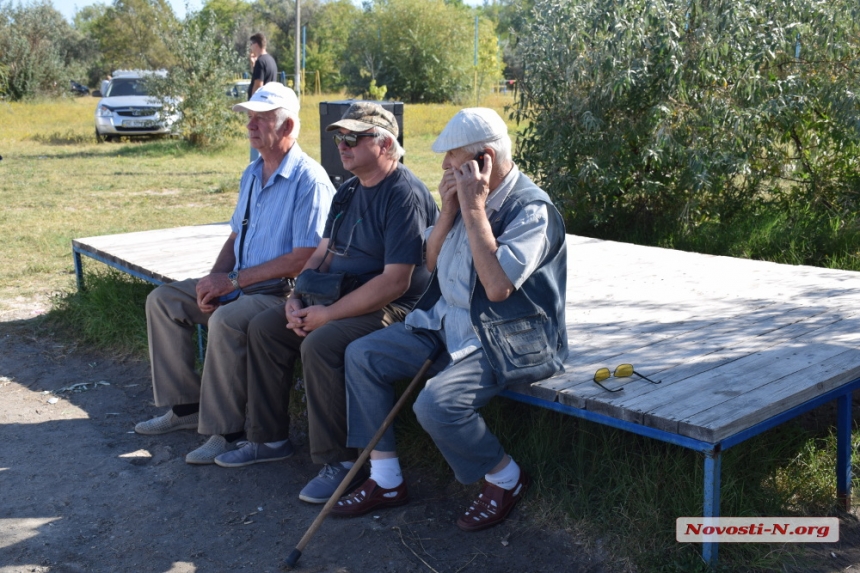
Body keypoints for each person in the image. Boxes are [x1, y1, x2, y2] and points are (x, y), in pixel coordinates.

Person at [332, 108, 568, 532]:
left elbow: (497, 289)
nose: (444, 167)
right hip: (446, 321)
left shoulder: (532, 210)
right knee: (363, 355)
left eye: (454, 158)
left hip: (504, 334)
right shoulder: (464, 194)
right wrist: (448, 212)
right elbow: (432, 261)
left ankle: (505, 477)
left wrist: (474, 211)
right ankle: (385, 479)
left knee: (437, 404)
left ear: (486, 161)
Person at [211, 103, 440, 507]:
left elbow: (396, 282)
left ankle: (340, 463)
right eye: (339, 137)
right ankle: (269, 438)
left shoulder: (404, 193)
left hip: (399, 308)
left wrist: (327, 314)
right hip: (340, 292)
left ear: (385, 144)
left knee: (322, 342)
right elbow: (320, 252)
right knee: (267, 327)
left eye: (353, 137)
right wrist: (298, 297)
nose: (342, 145)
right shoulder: (349, 189)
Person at [134, 83, 336, 465]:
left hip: (280, 292)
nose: (250, 126)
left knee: (226, 319)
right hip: (240, 283)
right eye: (249, 117)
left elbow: (305, 257)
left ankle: (226, 432)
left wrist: (231, 283)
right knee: (164, 301)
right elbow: (236, 234)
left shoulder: (311, 180)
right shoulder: (251, 172)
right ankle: (185, 407)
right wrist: (213, 280)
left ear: (288, 125)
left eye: (261, 119)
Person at [248, 33, 277, 162]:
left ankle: (256, 164)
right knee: (266, 138)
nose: (250, 48)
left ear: (255, 44)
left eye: (251, 45)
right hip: (269, 106)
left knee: (256, 135)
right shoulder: (270, 60)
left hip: (259, 107)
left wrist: (252, 107)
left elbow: (258, 84)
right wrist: (253, 66)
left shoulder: (261, 61)